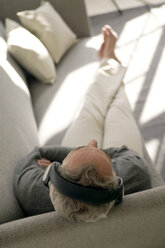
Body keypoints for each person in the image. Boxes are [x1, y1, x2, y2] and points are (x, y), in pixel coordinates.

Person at [14, 25, 151, 223]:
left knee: (90, 106)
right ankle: (110, 63)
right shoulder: (134, 175)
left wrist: (97, 157)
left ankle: (108, 63)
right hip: (102, 161)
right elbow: (127, 153)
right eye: (99, 151)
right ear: (116, 181)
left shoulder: (32, 191)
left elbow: (36, 152)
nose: (93, 141)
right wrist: (90, 157)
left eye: (79, 149)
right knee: (118, 105)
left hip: (88, 165)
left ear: (52, 173)